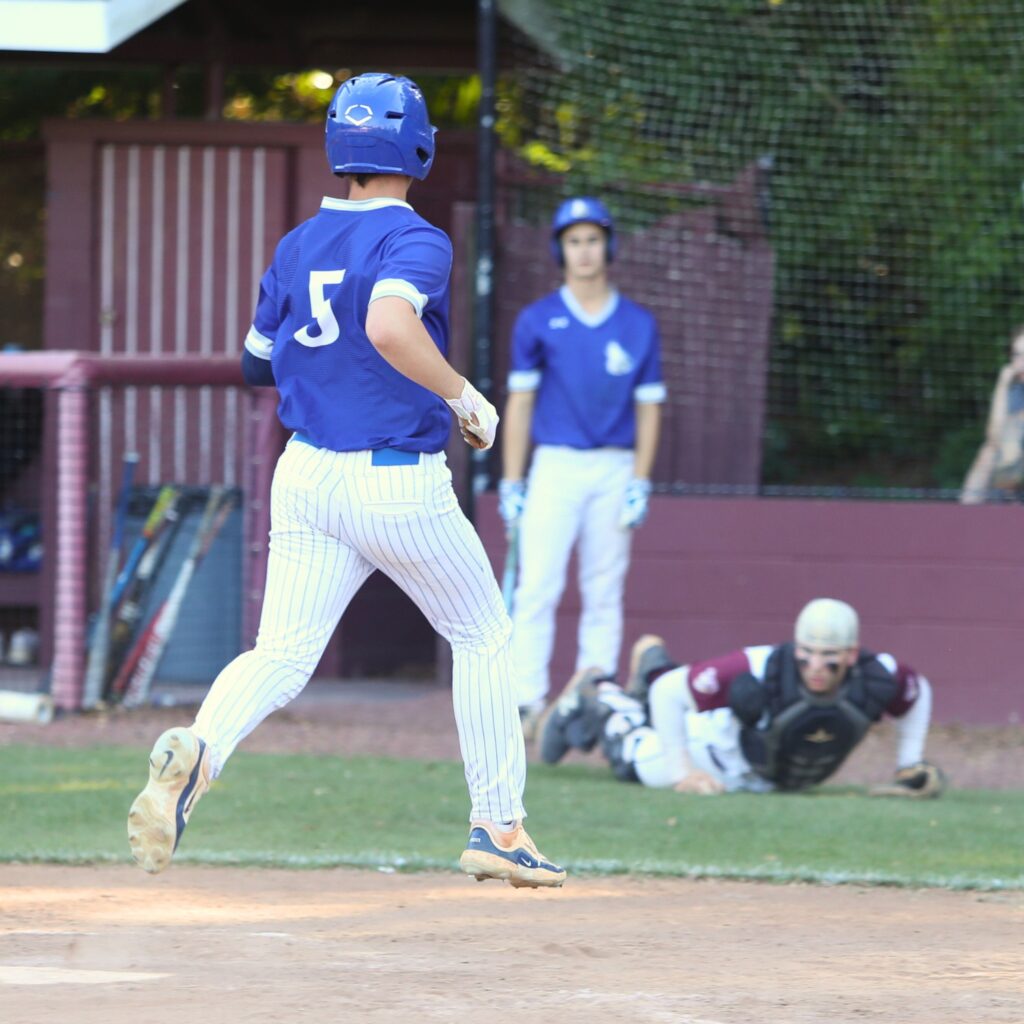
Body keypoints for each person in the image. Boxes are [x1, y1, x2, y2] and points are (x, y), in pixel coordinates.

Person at [126, 72, 565, 890]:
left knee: (281, 654)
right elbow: (390, 325)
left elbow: (255, 365)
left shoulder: (297, 245)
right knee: (482, 636)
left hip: (307, 475)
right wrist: (464, 395)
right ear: (418, 144)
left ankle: (202, 751)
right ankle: (499, 826)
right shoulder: (417, 238)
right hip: (394, 475)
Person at [498, 196, 666, 734]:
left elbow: (649, 406)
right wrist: (512, 479)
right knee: (536, 585)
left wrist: (641, 478)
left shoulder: (639, 324)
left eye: (593, 239)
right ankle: (526, 701)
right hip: (555, 466)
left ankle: (593, 697)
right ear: (560, 249)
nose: (585, 251)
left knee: (603, 586)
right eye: (574, 241)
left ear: (608, 245)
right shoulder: (538, 320)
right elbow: (520, 402)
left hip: (615, 468)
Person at [538, 597, 945, 798]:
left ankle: (652, 664)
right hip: (711, 753)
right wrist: (683, 773)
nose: (816, 665)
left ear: (852, 654)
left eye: (830, 656)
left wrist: (908, 763)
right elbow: (670, 693)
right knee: (635, 756)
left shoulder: (878, 677)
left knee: (667, 689)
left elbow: (917, 692)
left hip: (768, 781)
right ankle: (597, 692)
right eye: (808, 653)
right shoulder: (762, 666)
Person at [960, 325, 1024, 503]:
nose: (1021, 362)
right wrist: (1002, 385)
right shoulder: (1012, 387)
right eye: (1017, 355)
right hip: (1011, 457)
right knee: (988, 452)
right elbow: (993, 435)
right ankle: (964, 517)